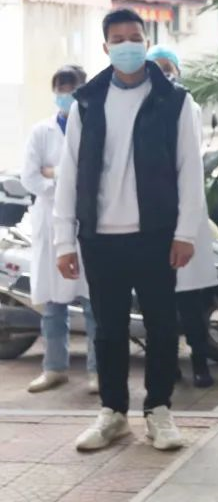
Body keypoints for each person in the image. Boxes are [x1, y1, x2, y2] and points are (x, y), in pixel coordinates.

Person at [53, 9, 203, 452]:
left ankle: (159, 410)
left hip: (156, 234)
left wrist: (186, 232)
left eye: (134, 37)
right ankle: (113, 413)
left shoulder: (174, 101)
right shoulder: (87, 101)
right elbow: (69, 173)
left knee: (161, 325)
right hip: (100, 237)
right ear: (105, 47)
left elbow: (189, 169)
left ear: (146, 41)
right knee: (109, 329)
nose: (127, 46)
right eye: (118, 40)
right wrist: (64, 240)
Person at [21, 65, 99, 394]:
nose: (65, 95)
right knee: (53, 306)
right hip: (52, 223)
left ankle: (98, 371)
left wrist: (55, 173)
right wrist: (65, 182)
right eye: (60, 89)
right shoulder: (41, 131)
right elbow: (30, 177)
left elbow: (97, 174)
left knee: (94, 303)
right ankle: (54, 368)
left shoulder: (96, 126)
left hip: (88, 223)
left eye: (71, 88)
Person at [147, 45, 218, 389]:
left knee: (190, 303)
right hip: (153, 218)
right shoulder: (140, 107)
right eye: (157, 67)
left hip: (186, 215)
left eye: (169, 67)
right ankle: (169, 365)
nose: (164, 73)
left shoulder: (188, 105)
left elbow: (188, 163)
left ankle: (200, 363)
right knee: (160, 306)